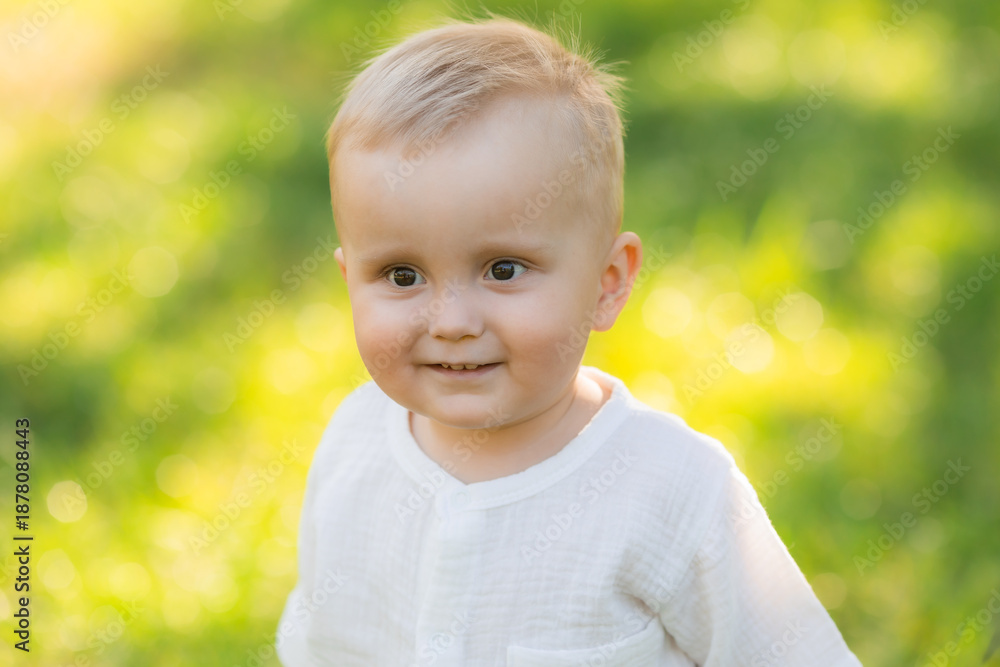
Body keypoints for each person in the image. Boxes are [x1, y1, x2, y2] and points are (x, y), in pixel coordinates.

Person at [275, 14, 863, 667]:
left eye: (503, 269)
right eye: (401, 275)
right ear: (349, 281)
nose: (451, 321)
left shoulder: (675, 490)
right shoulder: (353, 442)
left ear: (607, 283)